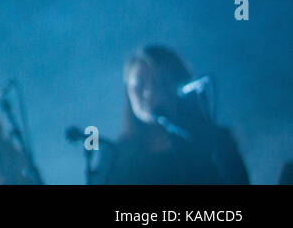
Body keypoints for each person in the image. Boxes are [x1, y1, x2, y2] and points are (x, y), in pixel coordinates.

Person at [91, 44, 249, 184]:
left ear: (179, 86)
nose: (149, 92)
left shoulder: (215, 141)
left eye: (159, 83)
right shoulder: (114, 156)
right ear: (128, 91)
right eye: (139, 85)